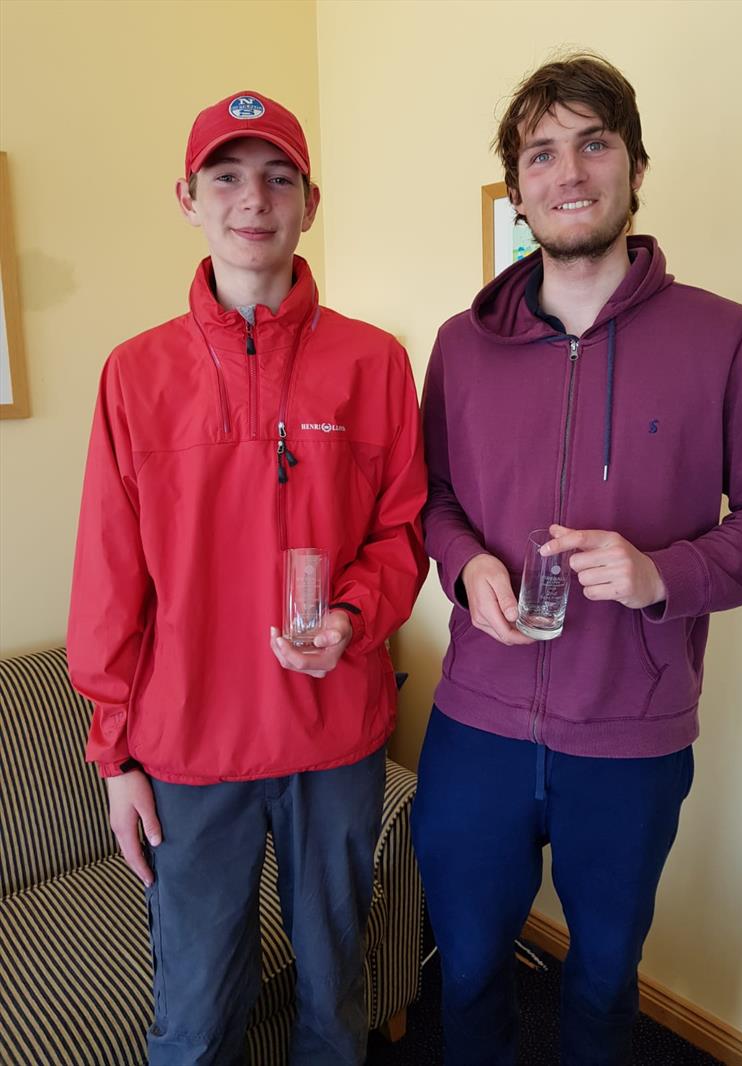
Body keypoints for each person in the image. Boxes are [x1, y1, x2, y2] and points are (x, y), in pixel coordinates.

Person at [411, 53, 742, 1066]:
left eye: (592, 142)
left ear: (631, 164)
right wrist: (464, 566)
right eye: (540, 151)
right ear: (517, 184)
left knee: (599, 980)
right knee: (466, 968)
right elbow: (432, 499)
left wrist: (661, 574)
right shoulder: (460, 345)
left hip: (630, 738)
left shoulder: (723, 338)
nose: (567, 170)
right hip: (476, 727)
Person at [67, 89, 428, 1066]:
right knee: (194, 1019)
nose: (251, 199)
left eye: (277, 177)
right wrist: (115, 757)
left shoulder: (374, 362)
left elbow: (401, 535)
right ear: (185, 196)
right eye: (225, 176)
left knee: (333, 1000)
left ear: (311, 200)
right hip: (187, 755)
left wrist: (351, 617)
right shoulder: (133, 374)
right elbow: (107, 581)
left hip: (333, 743)